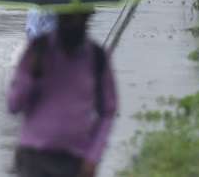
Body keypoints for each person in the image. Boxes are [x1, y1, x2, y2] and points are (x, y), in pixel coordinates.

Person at [8, 11, 118, 177]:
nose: (72, 24)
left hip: (75, 161)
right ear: (58, 17)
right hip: (33, 157)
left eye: (79, 18)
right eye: (67, 18)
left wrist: (93, 156)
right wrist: (29, 75)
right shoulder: (37, 51)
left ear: (88, 18)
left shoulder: (96, 58)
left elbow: (108, 111)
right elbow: (14, 105)